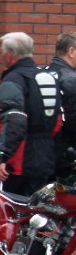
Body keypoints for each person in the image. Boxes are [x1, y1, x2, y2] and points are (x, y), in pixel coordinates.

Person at [0, 32, 61, 195]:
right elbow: (57, 122)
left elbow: (15, 121)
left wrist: (1, 157)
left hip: (15, 165)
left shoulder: (12, 81)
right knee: (34, 214)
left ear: (8, 55)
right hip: (45, 160)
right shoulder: (47, 78)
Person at [47, 32, 76, 179]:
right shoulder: (71, 79)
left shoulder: (43, 74)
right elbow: (73, 121)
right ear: (71, 51)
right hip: (66, 154)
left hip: (42, 151)